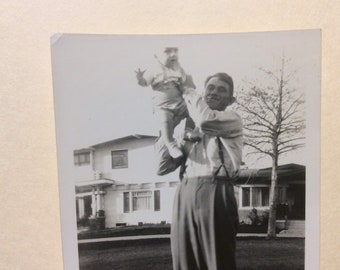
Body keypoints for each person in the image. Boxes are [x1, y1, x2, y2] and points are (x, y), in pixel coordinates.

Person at [156, 72, 243, 270]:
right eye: (210, 87)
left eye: (222, 90)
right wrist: (172, 123)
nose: (214, 92)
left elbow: (206, 121)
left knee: (217, 260)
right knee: (184, 260)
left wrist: (188, 89)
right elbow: (161, 167)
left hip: (216, 190)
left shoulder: (232, 119)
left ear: (231, 100)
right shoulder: (188, 127)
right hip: (185, 192)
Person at [135, 47, 196, 159]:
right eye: (168, 52)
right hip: (163, 106)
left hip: (179, 103)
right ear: (157, 56)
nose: (173, 54)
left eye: (175, 51)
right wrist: (140, 78)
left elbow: (186, 84)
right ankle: (171, 144)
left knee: (192, 110)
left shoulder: (179, 69)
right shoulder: (154, 70)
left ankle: (188, 130)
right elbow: (144, 83)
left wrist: (188, 88)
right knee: (165, 122)